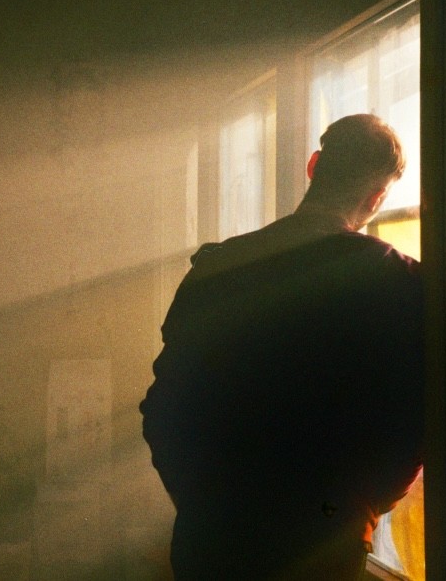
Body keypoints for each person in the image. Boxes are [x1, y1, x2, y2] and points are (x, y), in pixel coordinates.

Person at [140, 114, 425, 580]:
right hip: (323, 541)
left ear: (313, 166)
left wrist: (200, 499)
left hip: (212, 533)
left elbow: (163, 409)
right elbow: (416, 418)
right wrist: (362, 509)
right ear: (377, 197)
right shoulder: (400, 283)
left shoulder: (218, 268)